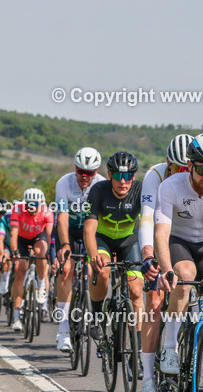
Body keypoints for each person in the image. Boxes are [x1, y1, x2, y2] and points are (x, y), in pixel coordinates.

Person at [155, 133, 203, 376]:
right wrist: (167, 270)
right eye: (202, 169)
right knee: (184, 277)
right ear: (189, 166)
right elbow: (161, 234)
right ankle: (170, 347)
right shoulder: (171, 186)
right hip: (179, 241)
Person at [136, 134, 192, 392]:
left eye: (187, 168)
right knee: (155, 302)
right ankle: (148, 378)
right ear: (168, 163)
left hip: (188, 241)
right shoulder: (155, 175)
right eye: (177, 168)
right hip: (161, 237)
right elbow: (147, 218)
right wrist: (148, 255)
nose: (182, 174)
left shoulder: (200, 177)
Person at [83, 151, 144, 344]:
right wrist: (93, 254)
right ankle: (97, 317)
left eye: (127, 176)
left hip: (129, 241)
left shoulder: (141, 190)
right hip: (103, 240)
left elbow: (150, 223)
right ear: (109, 175)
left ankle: (137, 345)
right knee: (101, 271)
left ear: (134, 176)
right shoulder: (98, 190)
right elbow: (89, 228)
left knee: (136, 291)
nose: (123, 181)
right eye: (117, 176)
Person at [54, 147, 105, 352]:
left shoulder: (102, 184)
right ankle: (63, 330)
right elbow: (62, 217)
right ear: (75, 168)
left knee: (95, 270)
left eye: (89, 173)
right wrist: (65, 245)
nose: (85, 176)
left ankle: (94, 315)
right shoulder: (63, 183)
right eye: (80, 171)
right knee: (66, 269)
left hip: (91, 232)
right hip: (70, 231)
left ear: (96, 171)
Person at [8, 188, 54, 331]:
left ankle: (41, 284)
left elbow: (48, 236)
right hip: (21, 238)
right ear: (25, 203)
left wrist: (47, 255)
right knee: (20, 270)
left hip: (38, 236)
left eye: (35, 204)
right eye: (29, 204)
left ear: (41, 204)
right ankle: (16, 317)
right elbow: (13, 233)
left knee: (41, 252)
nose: (32, 208)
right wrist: (14, 252)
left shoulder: (47, 212)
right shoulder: (17, 209)